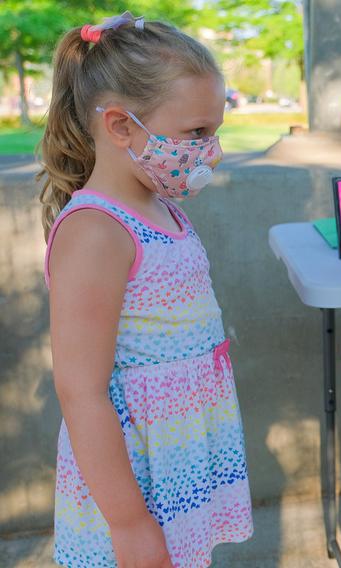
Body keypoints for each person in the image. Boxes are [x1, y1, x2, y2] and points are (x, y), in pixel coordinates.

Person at [38, 13, 253, 568]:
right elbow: (80, 391)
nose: (212, 151)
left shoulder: (161, 207)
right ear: (120, 126)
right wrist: (130, 525)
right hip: (132, 485)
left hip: (176, 461)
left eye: (215, 131)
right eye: (196, 134)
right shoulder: (96, 232)